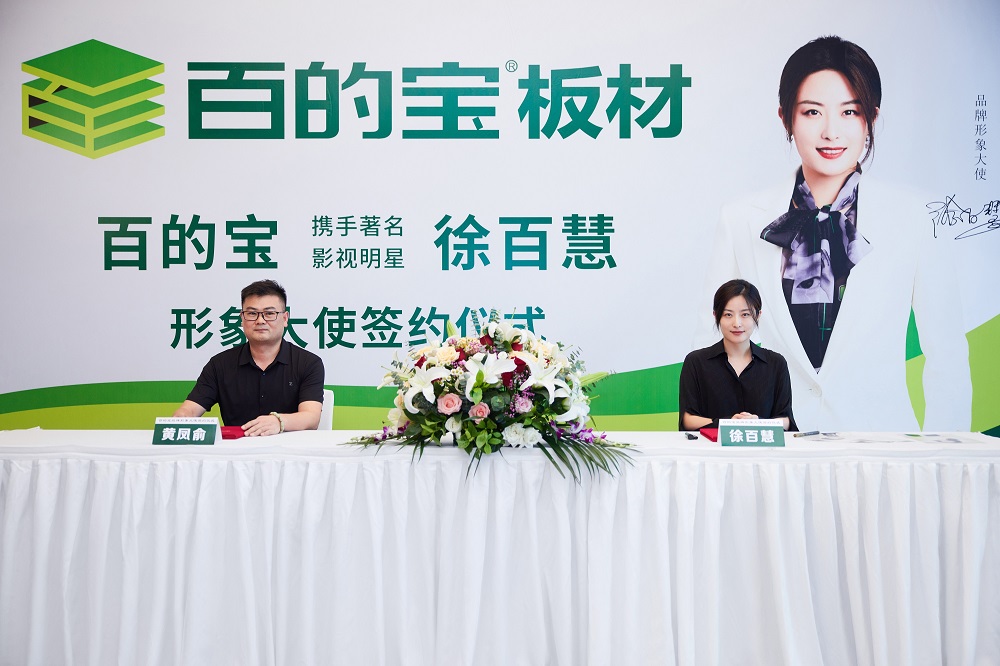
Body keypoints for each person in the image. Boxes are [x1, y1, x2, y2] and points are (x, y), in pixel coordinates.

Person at [702, 35, 971, 432]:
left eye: (849, 112)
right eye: (812, 112)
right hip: (770, 449)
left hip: (881, 450)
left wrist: (944, 459)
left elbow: (947, 356)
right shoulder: (740, 218)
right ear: (786, 118)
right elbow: (711, 351)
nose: (831, 132)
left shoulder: (916, 218)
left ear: (871, 119)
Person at [174, 280, 325, 435]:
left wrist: (278, 421)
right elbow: (190, 409)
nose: (260, 320)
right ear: (242, 318)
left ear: (285, 318)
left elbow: (311, 418)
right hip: (235, 449)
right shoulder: (219, 365)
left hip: (289, 448)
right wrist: (181, 417)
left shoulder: (308, 363)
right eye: (252, 313)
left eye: (269, 313)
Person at [679, 279, 795, 431]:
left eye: (745, 314)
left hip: (762, 445)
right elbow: (688, 419)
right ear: (716, 315)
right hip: (711, 445)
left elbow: (786, 420)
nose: (737, 323)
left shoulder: (776, 363)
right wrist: (727, 423)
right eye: (728, 314)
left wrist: (758, 422)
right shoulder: (696, 362)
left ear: (758, 315)